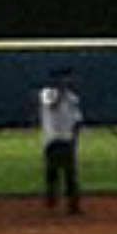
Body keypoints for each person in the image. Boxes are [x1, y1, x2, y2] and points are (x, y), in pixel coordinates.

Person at [38, 66, 84, 216]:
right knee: (52, 173)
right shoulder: (47, 93)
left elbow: (77, 120)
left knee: (70, 175)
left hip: (67, 139)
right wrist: (61, 90)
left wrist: (75, 138)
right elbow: (52, 104)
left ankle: (73, 205)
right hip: (52, 139)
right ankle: (51, 201)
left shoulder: (72, 98)